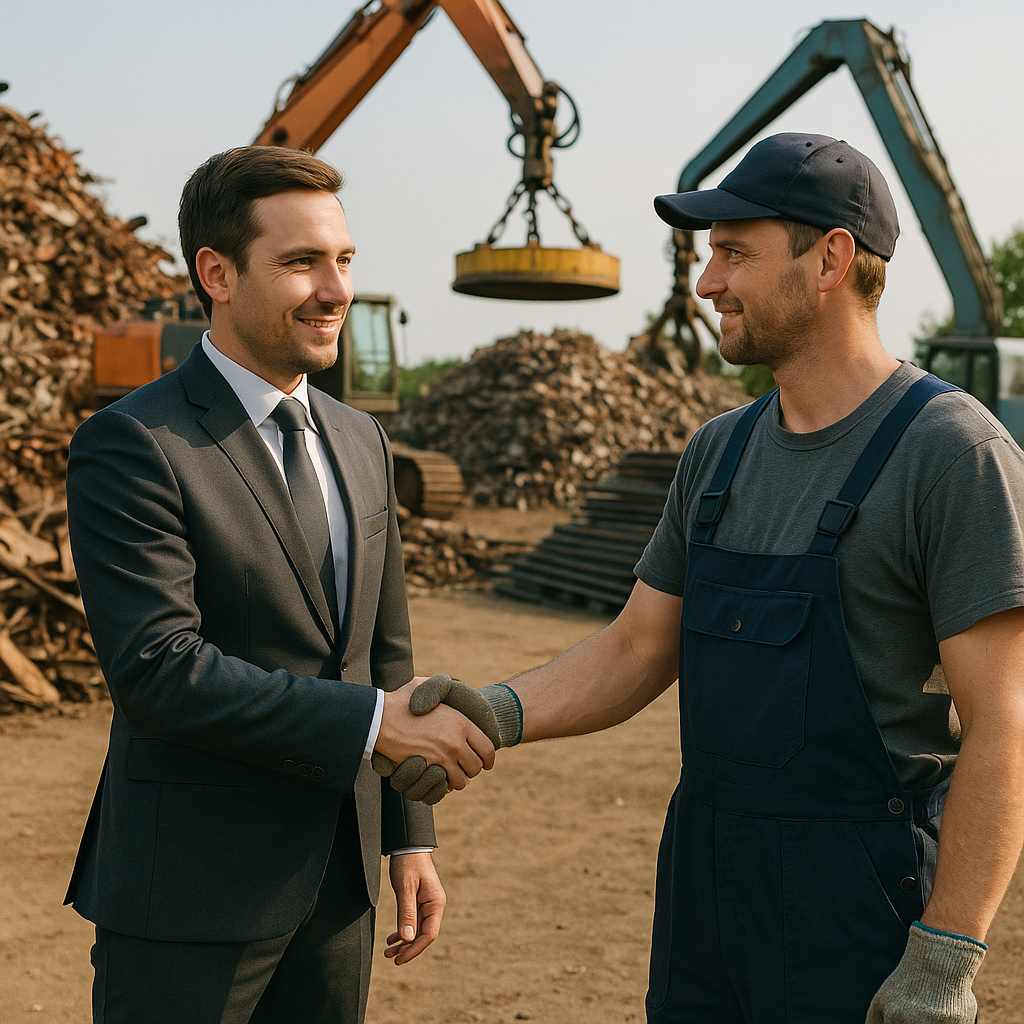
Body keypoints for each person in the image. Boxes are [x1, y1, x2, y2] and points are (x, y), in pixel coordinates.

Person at [416, 133, 1024, 1022]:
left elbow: (1003, 725)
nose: (707, 284)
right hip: (707, 880)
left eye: (735, 253)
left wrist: (945, 956)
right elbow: (636, 647)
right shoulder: (719, 450)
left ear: (832, 259)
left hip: (856, 903)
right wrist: (495, 712)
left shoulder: (952, 454)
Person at [64, 145, 495, 1024]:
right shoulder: (134, 444)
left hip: (341, 884)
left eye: (342, 260)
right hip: (192, 891)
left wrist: (408, 834)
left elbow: (384, 650)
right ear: (216, 274)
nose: (334, 289)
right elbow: (158, 670)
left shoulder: (362, 439)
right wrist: (378, 726)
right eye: (301, 262)